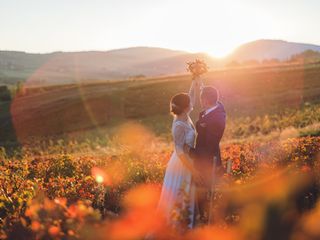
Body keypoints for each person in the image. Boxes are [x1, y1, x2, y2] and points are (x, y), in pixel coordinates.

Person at [157, 81, 204, 229]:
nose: (192, 103)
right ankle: (178, 227)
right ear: (185, 106)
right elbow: (180, 151)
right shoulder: (178, 124)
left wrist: (195, 78)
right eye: (189, 102)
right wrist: (193, 170)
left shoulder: (185, 114)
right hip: (181, 163)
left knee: (187, 195)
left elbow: (191, 97)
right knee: (180, 194)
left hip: (188, 158)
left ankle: (187, 225)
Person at [184, 77, 226, 224]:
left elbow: (209, 146)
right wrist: (202, 88)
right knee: (200, 192)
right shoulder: (214, 109)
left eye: (202, 99)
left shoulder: (216, 119)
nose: (201, 102)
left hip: (207, 162)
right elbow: (213, 107)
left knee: (203, 194)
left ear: (207, 100)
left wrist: (190, 151)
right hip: (204, 159)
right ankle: (203, 218)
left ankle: (206, 222)